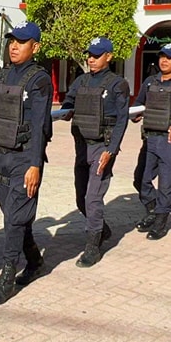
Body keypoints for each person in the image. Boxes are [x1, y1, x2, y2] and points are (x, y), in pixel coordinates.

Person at [0, 22, 53, 305]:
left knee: (13, 220)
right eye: (11, 41)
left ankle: (8, 276)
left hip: (25, 158)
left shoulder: (39, 80)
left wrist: (35, 165)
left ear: (35, 47)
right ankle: (34, 261)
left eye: (21, 42)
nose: (14, 46)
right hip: (2, 157)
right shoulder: (3, 75)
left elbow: (39, 125)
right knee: (14, 215)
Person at [61, 37, 130, 267]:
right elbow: (68, 102)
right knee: (81, 198)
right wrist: (66, 110)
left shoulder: (117, 84)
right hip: (81, 146)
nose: (91, 58)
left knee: (93, 198)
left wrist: (112, 150)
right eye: (89, 54)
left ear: (109, 57)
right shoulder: (80, 81)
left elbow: (122, 119)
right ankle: (102, 229)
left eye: (96, 54)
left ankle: (92, 247)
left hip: (102, 147)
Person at [130, 43, 171, 240]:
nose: (164, 60)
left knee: (167, 183)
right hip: (150, 138)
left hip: (170, 141)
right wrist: (134, 114)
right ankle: (153, 209)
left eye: (169, 57)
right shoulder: (150, 81)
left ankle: (160, 220)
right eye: (162, 56)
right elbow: (139, 102)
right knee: (140, 178)